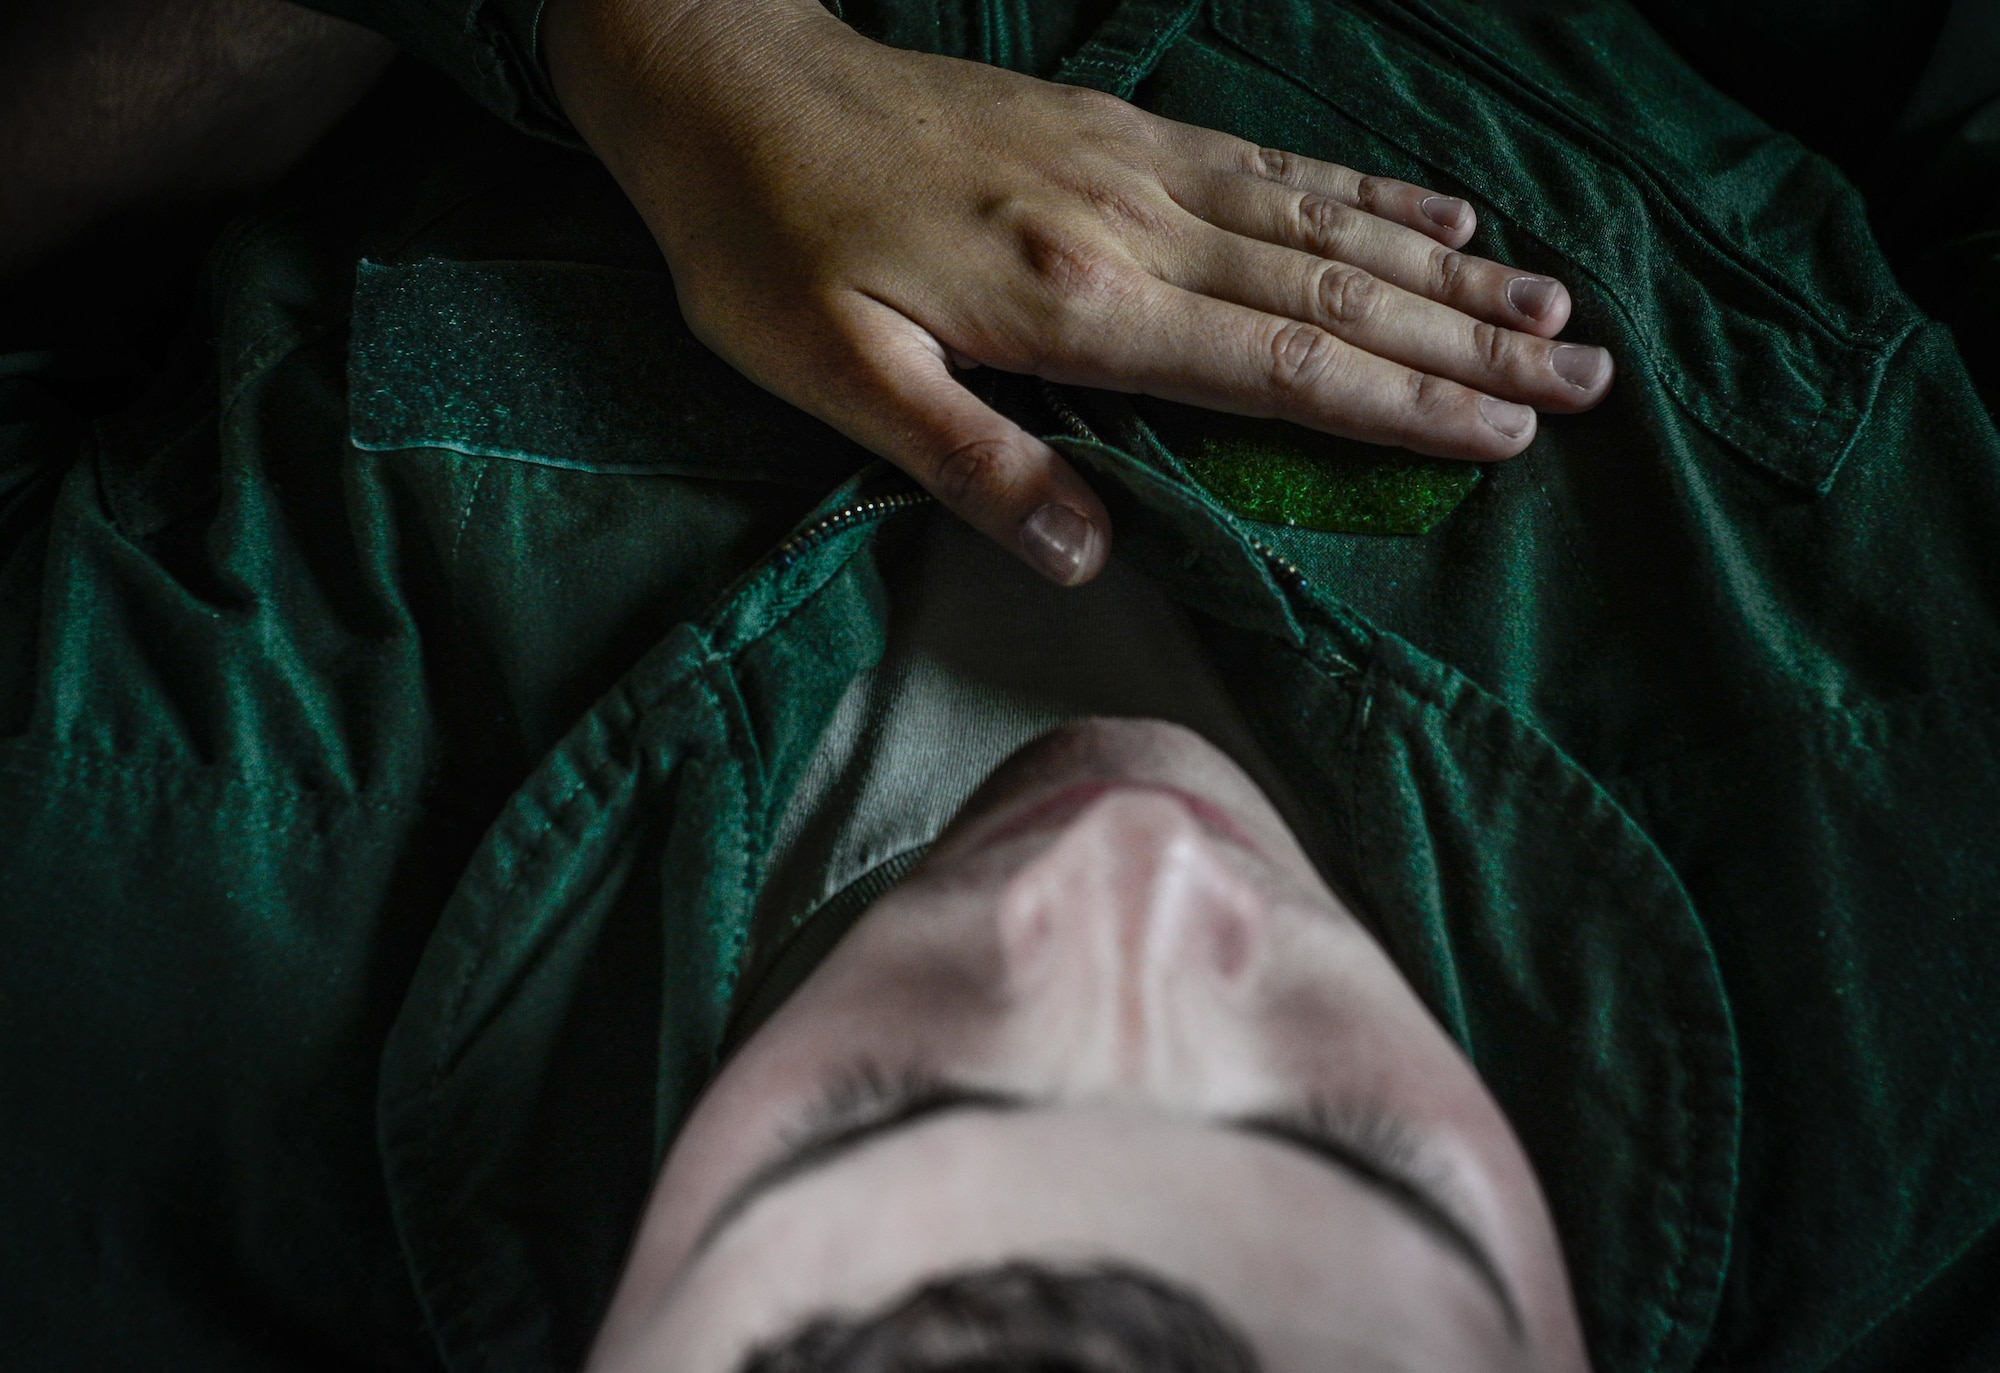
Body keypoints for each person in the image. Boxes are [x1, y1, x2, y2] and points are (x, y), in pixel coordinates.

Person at [2, 0, 1998, 1370]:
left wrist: (652, 48)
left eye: (852, 1118)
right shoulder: (1927, 937)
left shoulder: (110, 954)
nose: (1114, 869)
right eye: (1352, 1142)